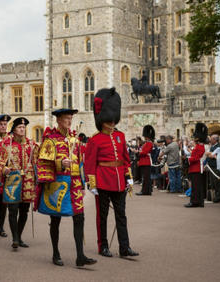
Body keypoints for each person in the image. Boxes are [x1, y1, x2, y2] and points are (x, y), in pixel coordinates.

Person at [36, 108, 96, 268]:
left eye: (70, 118)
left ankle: (80, 256)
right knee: (55, 220)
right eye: (66, 118)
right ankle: (55, 253)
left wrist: (82, 184)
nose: (69, 121)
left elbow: (80, 164)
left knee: (79, 217)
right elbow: (42, 162)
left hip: (75, 184)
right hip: (58, 183)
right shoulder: (51, 140)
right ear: (58, 120)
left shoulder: (75, 140)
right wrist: (60, 163)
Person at [85, 88, 139, 258]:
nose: (112, 122)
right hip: (102, 181)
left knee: (121, 216)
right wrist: (91, 184)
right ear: (103, 119)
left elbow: (125, 159)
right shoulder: (95, 139)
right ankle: (103, 246)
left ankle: (125, 247)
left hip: (119, 181)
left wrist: (128, 178)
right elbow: (90, 163)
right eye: (110, 119)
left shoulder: (120, 136)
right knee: (102, 217)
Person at [0, 117, 38, 249]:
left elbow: (36, 162)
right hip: (12, 181)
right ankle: (14, 238)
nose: (22, 129)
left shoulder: (31, 145)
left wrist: (37, 178)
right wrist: (4, 169)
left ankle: (19, 236)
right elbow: (0, 163)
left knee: (24, 210)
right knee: (13, 210)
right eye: (20, 127)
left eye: (24, 127)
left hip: (27, 180)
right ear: (14, 130)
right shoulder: (7, 145)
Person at [183, 123, 207, 208]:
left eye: (195, 137)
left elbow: (196, 158)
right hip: (194, 167)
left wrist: (188, 159)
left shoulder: (200, 147)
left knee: (195, 187)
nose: (194, 138)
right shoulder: (198, 146)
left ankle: (194, 202)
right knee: (197, 186)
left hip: (196, 168)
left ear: (198, 138)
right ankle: (199, 202)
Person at [136, 125, 155, 196]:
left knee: (146, 177)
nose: (144, 137)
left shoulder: (149, 143)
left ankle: (145, 191)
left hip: (146, 162)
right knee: (146, 177)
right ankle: (147, 191)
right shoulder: (147, 143)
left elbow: (144, 152)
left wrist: (138, 152)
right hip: (144, 162)